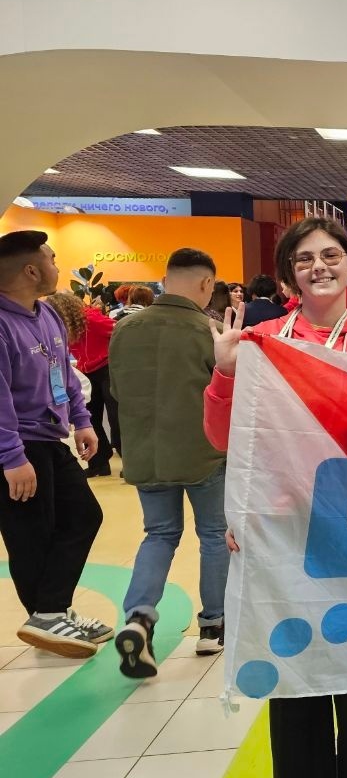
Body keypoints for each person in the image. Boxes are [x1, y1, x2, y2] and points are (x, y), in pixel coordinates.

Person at [206, 218, 347, 778]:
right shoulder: (262, 342)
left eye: (329, 256)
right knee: (292, 664)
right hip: (279, 530)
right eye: (303, 259)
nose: (318, 267)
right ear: (290, 275)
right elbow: (222, 437)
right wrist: (226, 373)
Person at [108, 248, 230, 677]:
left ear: (165, 279)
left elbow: (116, 390)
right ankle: (213, 625)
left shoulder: (125, 329)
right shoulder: (210, 331)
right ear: (206, 284)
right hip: (204, 452)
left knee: (159, 534)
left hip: (146, 452)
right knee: (214, 534)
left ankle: (139, 619)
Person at [0, 231, 110, 657]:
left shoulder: (46, 313)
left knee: (83, 515)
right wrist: (11, 457)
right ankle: (49, 615)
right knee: (31, 534)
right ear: (31, 270)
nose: (57, 266)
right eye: (51, 258)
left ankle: (50, 611)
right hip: (16, 446)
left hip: (49, 438)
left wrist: (82, 420)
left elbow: (63, 372)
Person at [46, 292, 120, 476]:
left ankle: (129, 460)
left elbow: (120, 330)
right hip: (87, 371)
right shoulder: (63, 326)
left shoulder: (92, 319)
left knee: (116, 418)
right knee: (89, 418)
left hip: (108, 368)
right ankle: (98, 463)